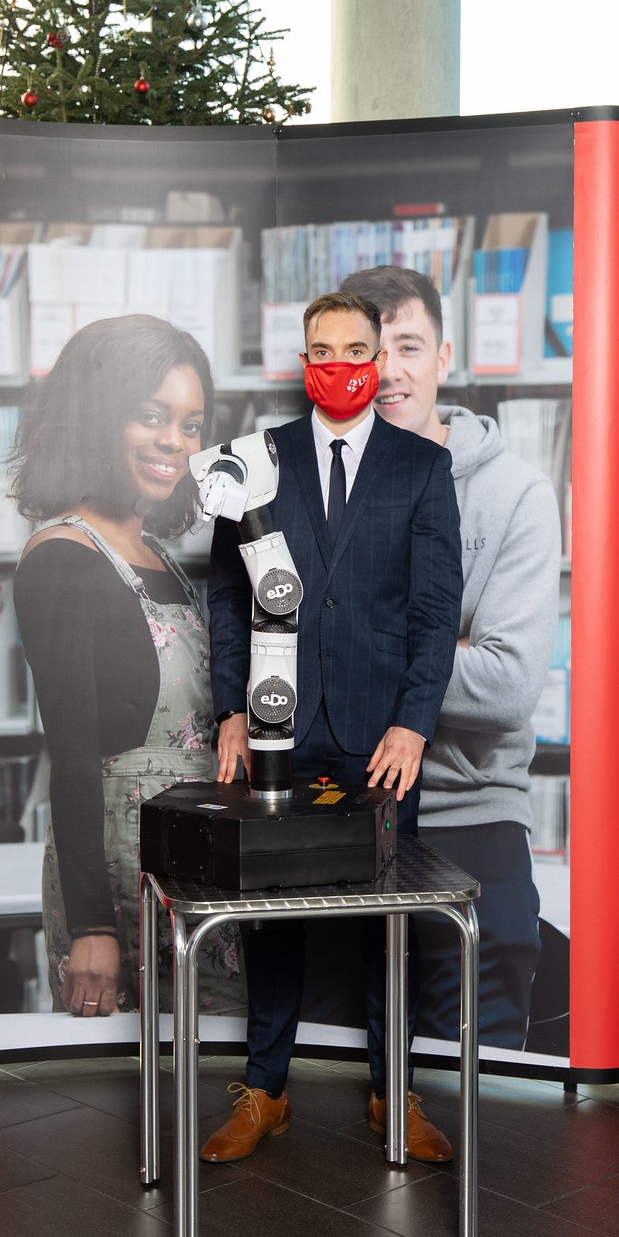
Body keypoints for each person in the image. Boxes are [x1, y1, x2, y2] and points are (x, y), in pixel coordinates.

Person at [201, 290, 463, 1163]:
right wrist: (232, 707)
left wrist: (415, 724)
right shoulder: (256, 458)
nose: (341, 363)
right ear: (302, 357)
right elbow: (229, 590)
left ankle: (396, 1095)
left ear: (382, 358)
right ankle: (266, 1090)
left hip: (379, 732)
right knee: (271, 915)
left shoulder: (421, 466)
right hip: (276, 727)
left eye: (358, 347)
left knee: (391, 920)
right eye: (323, 348)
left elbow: (435, 611)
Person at [338, 264, 556, 1049]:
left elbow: (506, 684)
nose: (389, 370)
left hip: (470, 821)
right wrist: (438, 645)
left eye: (409, 345)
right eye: (370, 348)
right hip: (343, 812)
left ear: (444, 356)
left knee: (479, 1088)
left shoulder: (516, 494)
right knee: (337, 1083)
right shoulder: (317, 481)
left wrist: (358, 640)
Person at [9, 314, 243, 1019]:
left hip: (199, 871)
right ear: (97, 416)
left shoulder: (157, 553)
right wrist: (92, 927)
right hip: (122, 883)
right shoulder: (62, 556)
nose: (175, 441)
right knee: (127, 1114)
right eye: (151, 416)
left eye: (191, 423)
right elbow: (73, 755)